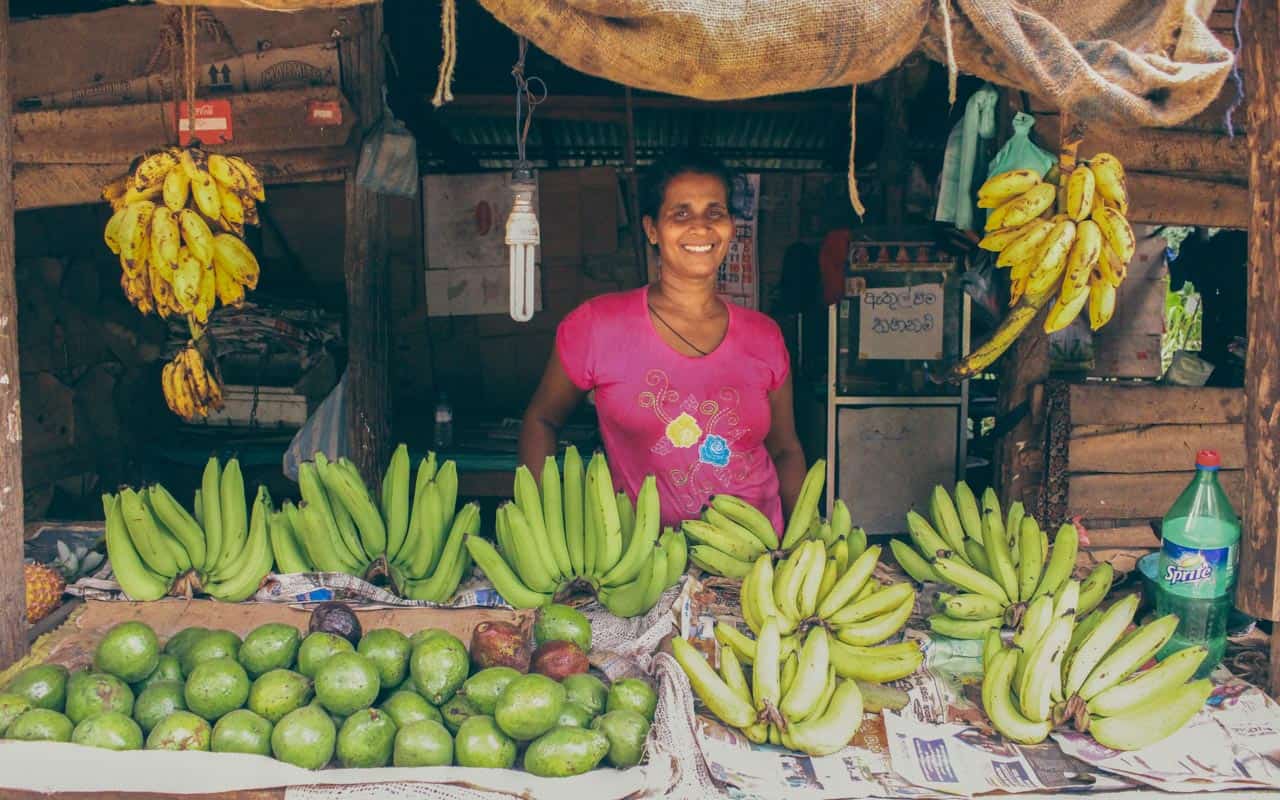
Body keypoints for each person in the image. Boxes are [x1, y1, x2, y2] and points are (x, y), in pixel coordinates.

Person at [518, 149, 807, 532]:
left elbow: (785, 449)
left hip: (757, 551)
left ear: (730, 226)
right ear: (652, 229)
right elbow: (541, 420)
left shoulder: (764, 336)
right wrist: (546, 532)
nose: (701, 227)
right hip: (643, 555)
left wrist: (802, 537)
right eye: (681, 213)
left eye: (715, 212)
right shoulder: (597, 325)